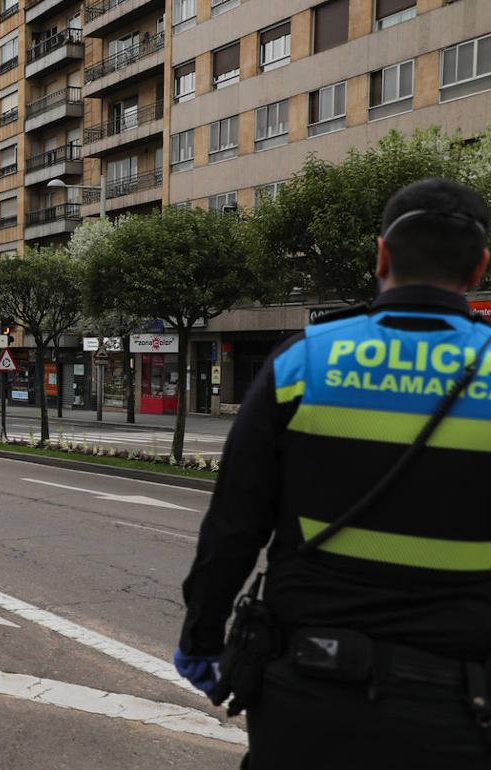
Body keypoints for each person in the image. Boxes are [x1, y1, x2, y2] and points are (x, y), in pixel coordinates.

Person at [175, 178, 491, 769]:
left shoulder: (304, 361)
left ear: (381, 258)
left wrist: (201, 636)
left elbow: (233, 526)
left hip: (309, 693)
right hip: (462, 708)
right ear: (478, 270)